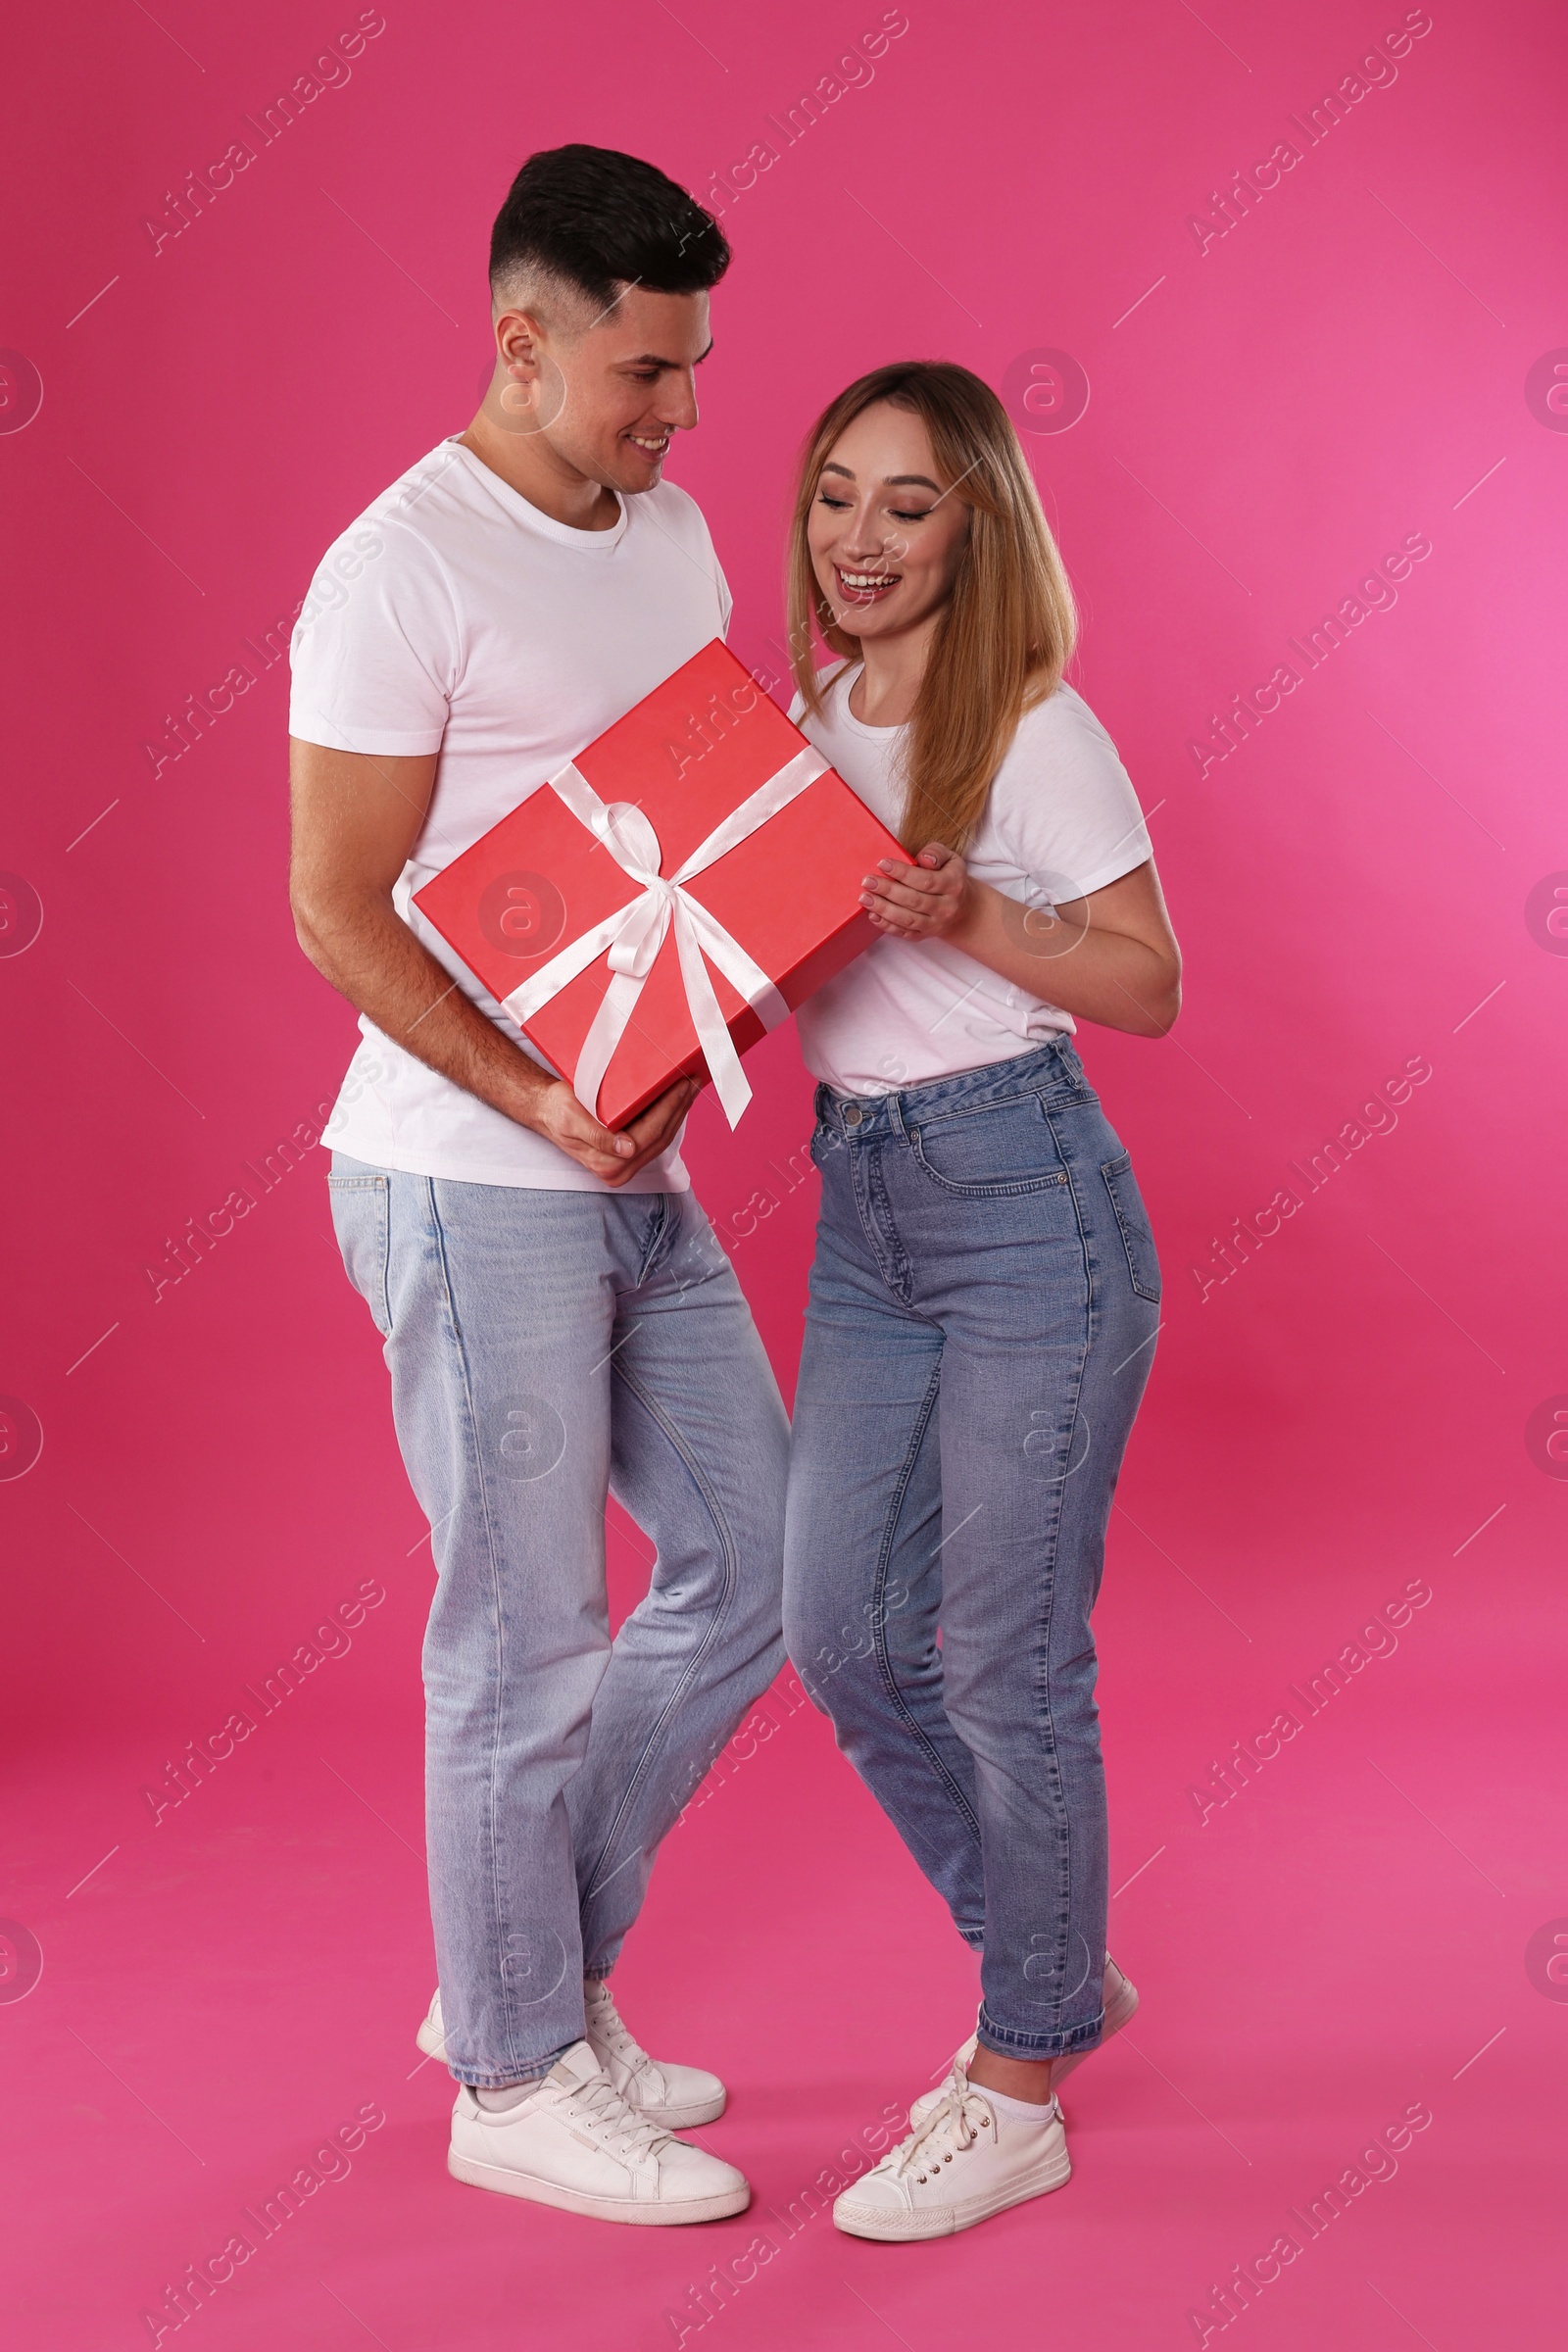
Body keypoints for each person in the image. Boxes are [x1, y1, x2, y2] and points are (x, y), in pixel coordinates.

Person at [287, 144, 789, 2227]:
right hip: (455, 1173)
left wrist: (727, 1011)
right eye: (640, 375)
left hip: (622, 1152)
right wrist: (528, 1096)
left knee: (770, 1555)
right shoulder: (394, 568)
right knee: (519, 1635)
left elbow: (679, 834)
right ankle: (508, 2069)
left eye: (686, 373)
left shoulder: (668, 542)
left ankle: (514, 1967)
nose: (676, 418)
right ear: (522, 342)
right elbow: (334, 908)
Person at [779, 362, 1181, 2240]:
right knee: (846, 1636)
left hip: (1028, 1204)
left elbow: (1149, 977)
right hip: (864, 1204)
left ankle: (1019, 2076)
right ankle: (1055, 1956)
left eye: (907, 506)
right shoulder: (800, 716)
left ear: (977, 527)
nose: (860, 539)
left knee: (1008, 1663)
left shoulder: (1028, 723)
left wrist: (972, 920)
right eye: (835, 496)